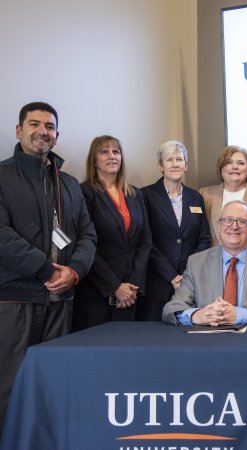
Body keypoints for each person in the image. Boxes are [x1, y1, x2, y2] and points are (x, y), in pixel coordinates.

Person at [0, 102, 96, 433]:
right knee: (10, 387)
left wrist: (75, 271)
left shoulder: (69, 184)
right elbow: (2, 236)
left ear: (56, 135)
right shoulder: (1, 176)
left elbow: (87, 234)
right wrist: (47, 270)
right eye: (34, 124)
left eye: (50, 126)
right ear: (19, 130)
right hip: (16, 301)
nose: (43, 130)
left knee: (54, 385)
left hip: (62, 302)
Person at [163, 200, 247, 326]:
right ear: (219, 226)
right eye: (227, 220)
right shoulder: (196, 263)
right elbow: (172, 308)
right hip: (207, 340)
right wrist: (197, 315)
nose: (234, 226)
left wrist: (239, 315)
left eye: (242, 221)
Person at [72, 135, 152, 331]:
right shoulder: (84, 193)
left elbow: (145, 241)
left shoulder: (135, 194)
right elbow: (86, 244)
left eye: (116, 152)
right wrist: (115, 287)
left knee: (126, 352)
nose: (112, 156)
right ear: (94, 159)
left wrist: (132, 286)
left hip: (131, 293)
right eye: (104, 152)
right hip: (97, 291)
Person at [137, 140, 210, 321]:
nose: (175, 164)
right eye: (169, 160)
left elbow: (204, 239)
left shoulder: (196, 197)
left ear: (186, 165)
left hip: (190, 284)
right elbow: (146, 240)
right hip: (157, 282)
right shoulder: (145, 195)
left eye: (179, 159)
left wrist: (186, 274)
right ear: (160, 166)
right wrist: (170, 275)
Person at [200, 146, 247, 247]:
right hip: (213, 260)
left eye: (241, 163)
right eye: (229, 162)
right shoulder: (205, 195)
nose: (235, 167)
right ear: (221, 168)